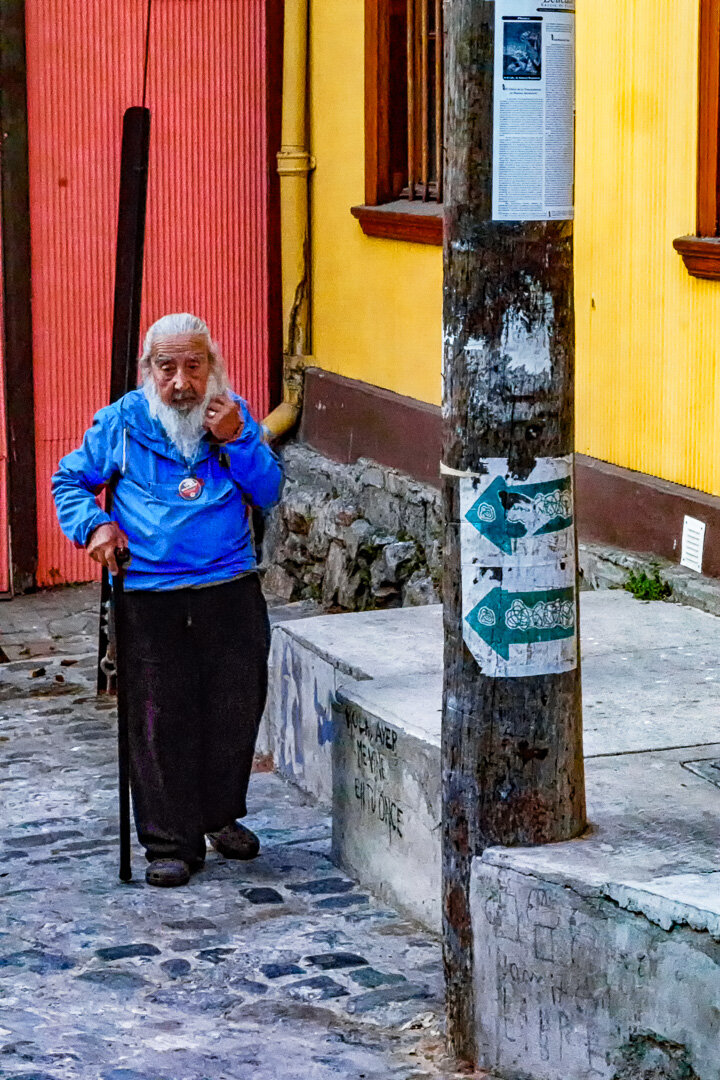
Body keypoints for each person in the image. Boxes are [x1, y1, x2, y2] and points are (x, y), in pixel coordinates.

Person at [52, 313, 284, 887]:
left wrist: (239, 438)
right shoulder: (123, 423)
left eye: (193, 366)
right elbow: (69, 481)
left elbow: (269, 489)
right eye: (167, 367)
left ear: (213, 368)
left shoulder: (230, 416)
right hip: (150, 591)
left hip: (228, 585)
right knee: (160, 717)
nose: (181, 382)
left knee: (234, 708)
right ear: (149, 371)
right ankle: (170, 841)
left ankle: (217, 813)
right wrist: (95, 527)